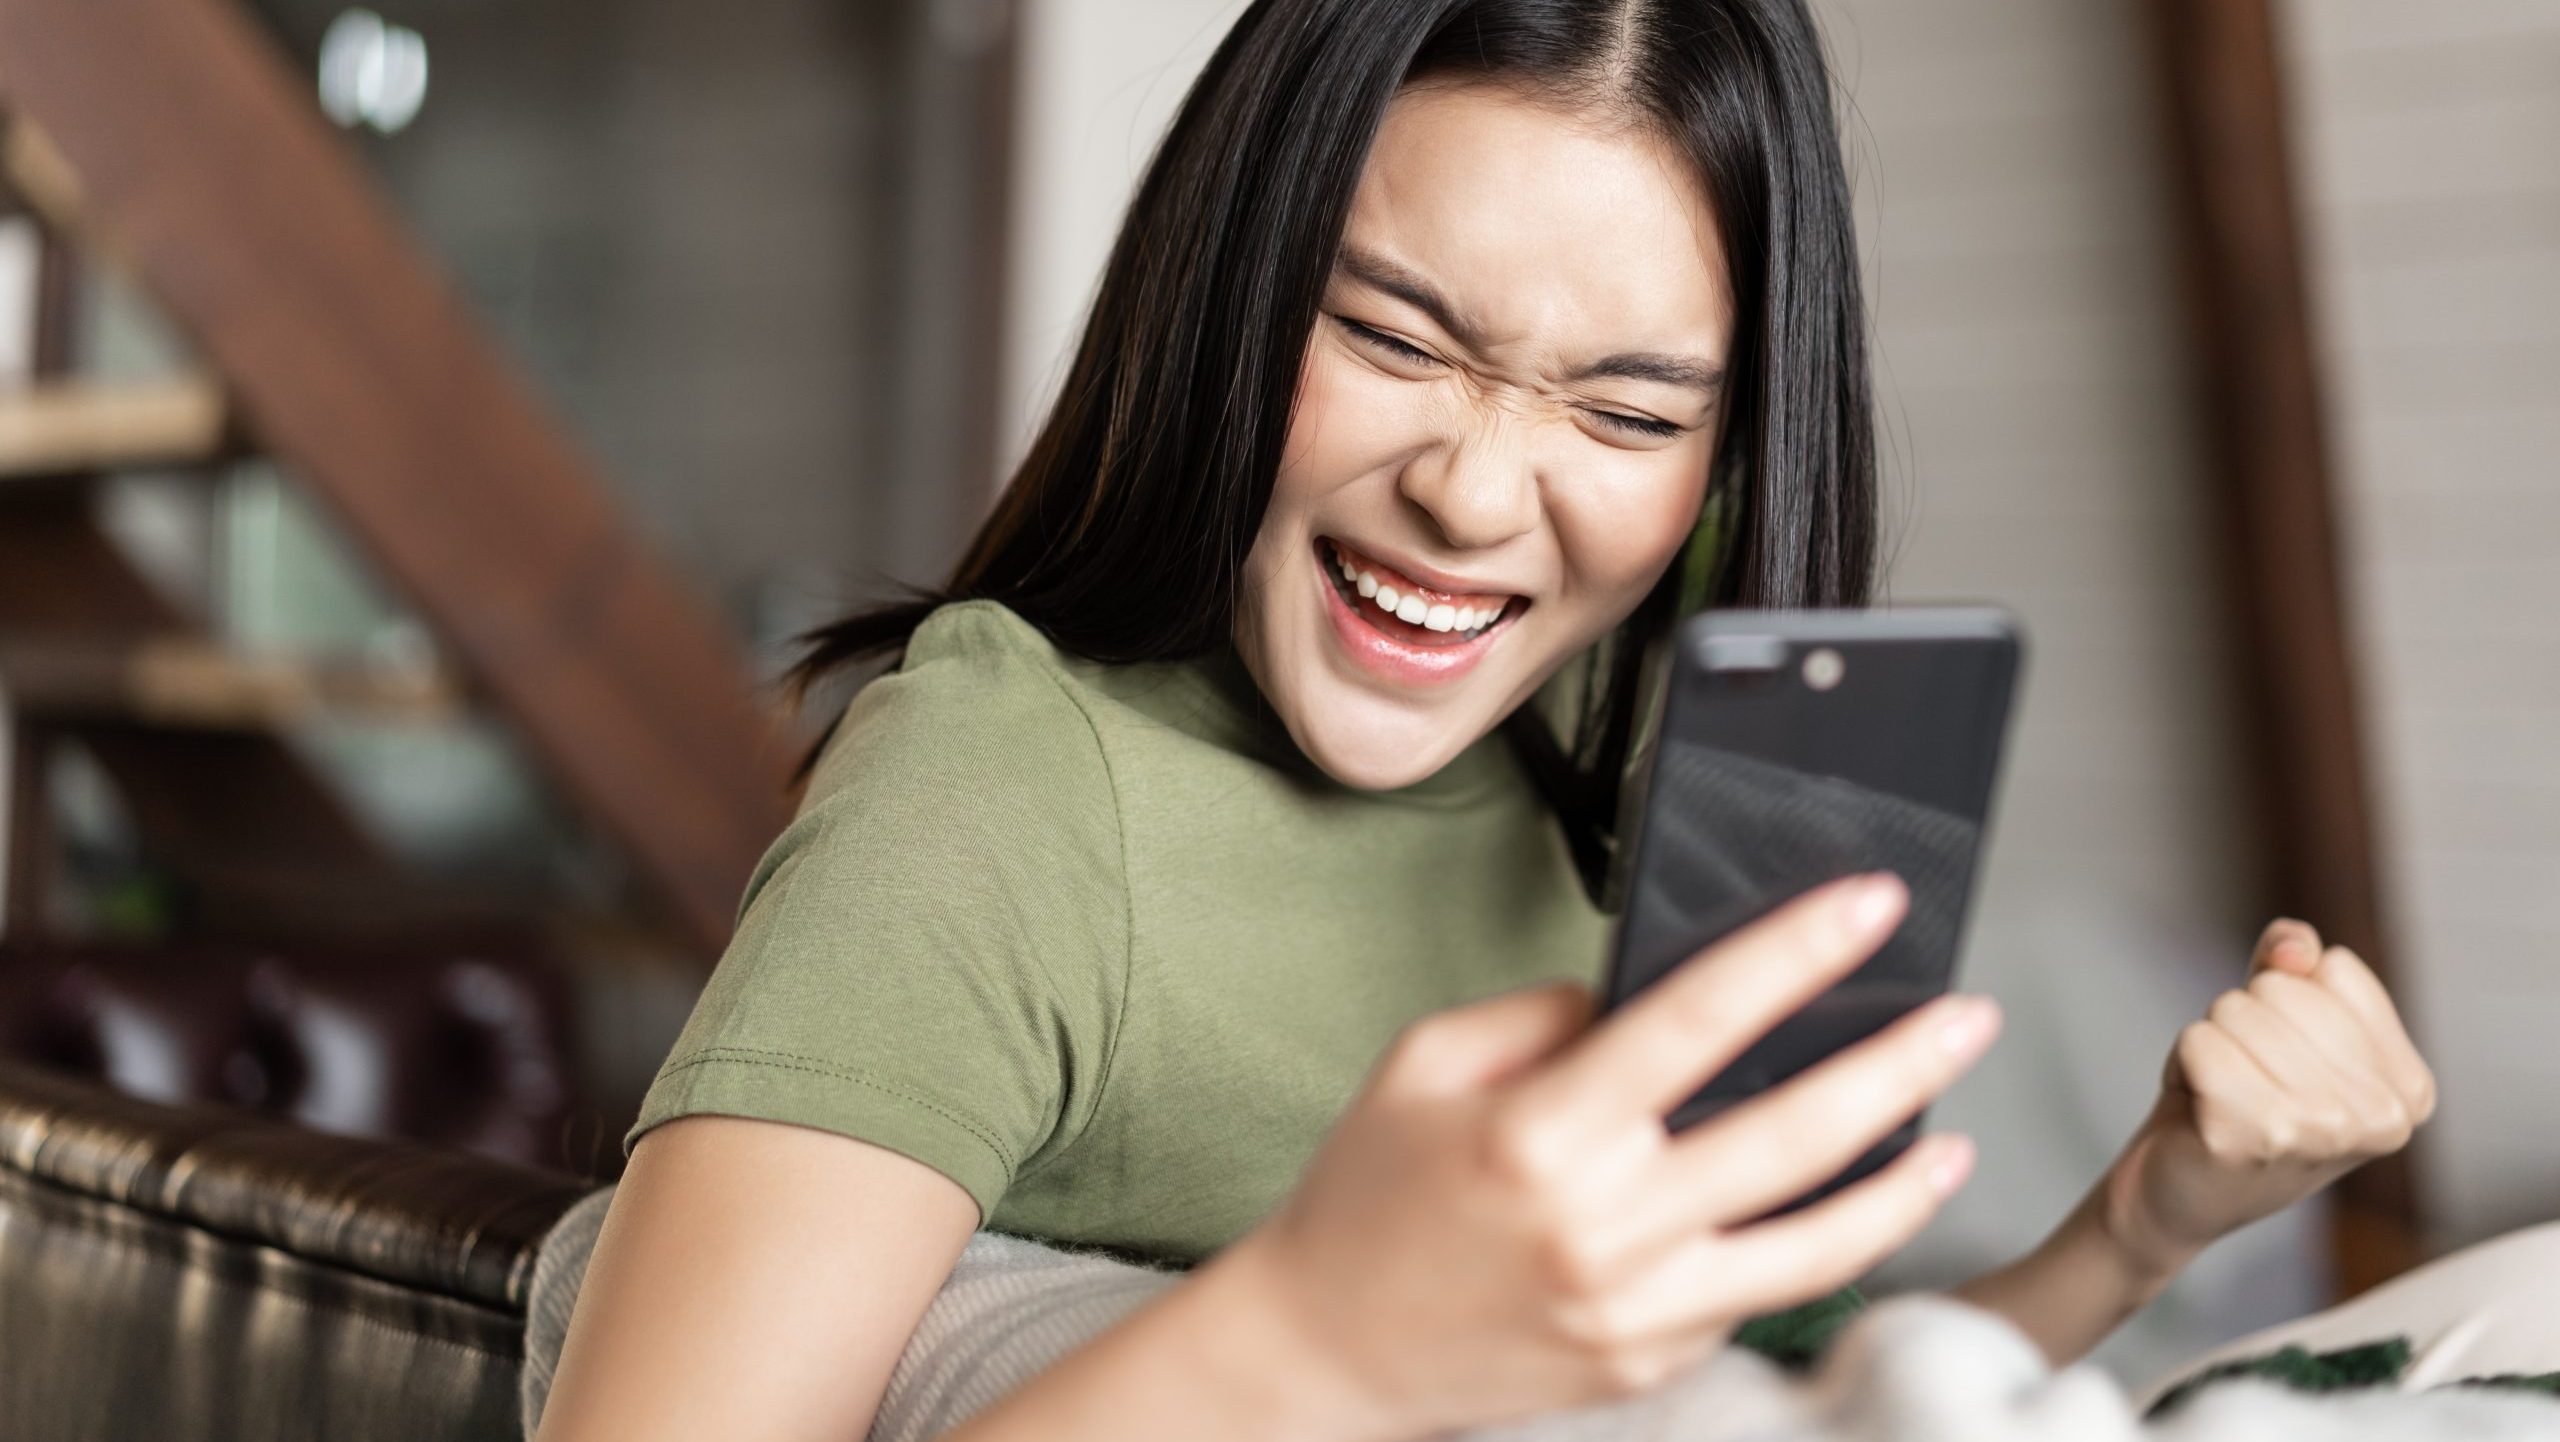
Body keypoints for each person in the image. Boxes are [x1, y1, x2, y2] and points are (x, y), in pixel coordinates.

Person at [532, 2, 2444, 1438]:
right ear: (1232, 296)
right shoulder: (1004, 792)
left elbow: (1803, 1404)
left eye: (1623, 412)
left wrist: (2147, 1214)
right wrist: (1320, 1339)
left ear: (1726, 453)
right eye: (1392, 337)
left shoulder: (1668, 787)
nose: (1474, 492)